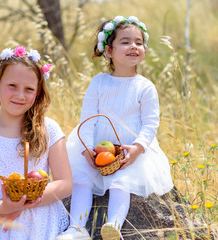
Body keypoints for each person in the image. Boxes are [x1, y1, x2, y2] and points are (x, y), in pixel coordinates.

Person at [56, 16, 174, 240]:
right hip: (97, 147)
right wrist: (86, 148)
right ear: (109, 51)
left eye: (139, 43)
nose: (134, 47)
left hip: (129, 150)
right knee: (82, 179)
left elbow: (150, 123)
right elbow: (88, 118)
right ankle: (77, 228)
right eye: (126, 42)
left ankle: (113, 226)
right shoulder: (99, 82)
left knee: (122, 181)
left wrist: (138, 148)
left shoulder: (145, 87)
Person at [0, 46, 73, 240]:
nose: (20, 95)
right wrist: (4, 207)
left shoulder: (49, 129)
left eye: (29, 89)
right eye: (12, 85)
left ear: (37, 93)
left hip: (42, 223)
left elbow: (65, 183)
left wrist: (21, 205)